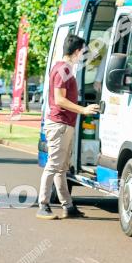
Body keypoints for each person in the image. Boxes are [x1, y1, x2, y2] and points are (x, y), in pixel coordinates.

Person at [37, 34, 99, 219]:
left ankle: (68, 206)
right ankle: (43, 205)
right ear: (78, 51)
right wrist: (83, 109)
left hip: (63, 124)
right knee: (53, 165)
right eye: (83, 51)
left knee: (61, 168)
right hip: (59, 124)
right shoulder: (63, 70)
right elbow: (60, 99)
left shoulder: (62, 68)